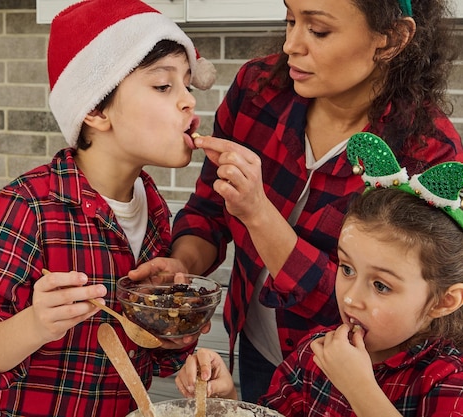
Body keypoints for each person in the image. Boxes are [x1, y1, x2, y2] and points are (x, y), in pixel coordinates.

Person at [128, 0, 463, 402]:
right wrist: (184, 264)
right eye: (290, 20)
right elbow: (210, 209)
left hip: (350, 375)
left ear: (392, 39)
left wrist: (259, 212)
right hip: (257, 346)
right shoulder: (257, 91)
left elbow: (377, 296)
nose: (291, 45)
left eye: (318, 30)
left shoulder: (425, 151)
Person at [0, 0, 217, 416]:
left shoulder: (156, 212)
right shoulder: (28, 205)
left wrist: (179, 342)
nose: (188, 102)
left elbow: (152, 355)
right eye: (164, 86)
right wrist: (36, 323)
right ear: (94, 109)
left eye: (187, 85)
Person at [174, 132, 463, 416]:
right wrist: (228, 401)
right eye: (347, 269)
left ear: (444, 302)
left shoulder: (448, 383)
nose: (350, 299)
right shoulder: (313, 355)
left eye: (381, 286)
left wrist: (359, 388)